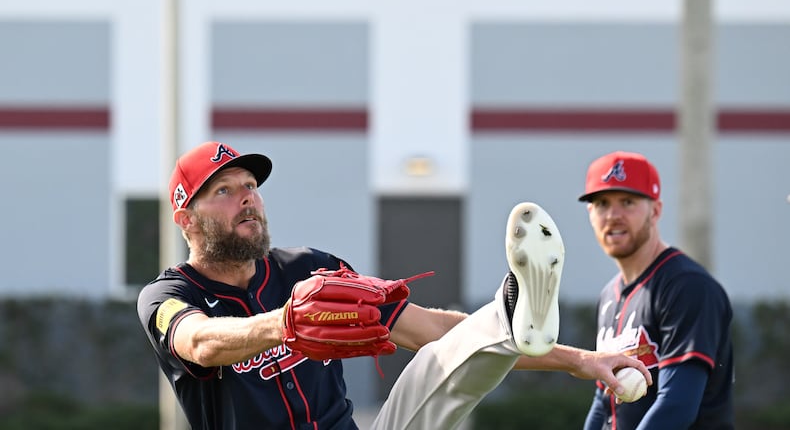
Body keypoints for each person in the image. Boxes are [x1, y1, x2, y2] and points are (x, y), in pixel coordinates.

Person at [137, 141, 651, 430]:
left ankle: (510, 317)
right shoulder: (167, 296)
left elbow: (431, 328)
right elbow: (199, 343)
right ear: (185, 218)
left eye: (250, 186)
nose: (246, 198)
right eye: (223, 191)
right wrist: (285, 323)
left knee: (441, 358)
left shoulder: (310, 269)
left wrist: (581, 360)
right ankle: (507, 320)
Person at [577, 151, 734, 429]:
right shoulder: (608, 296)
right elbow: (603, 404)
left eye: (628, 202)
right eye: (602, 203)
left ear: (656, 210)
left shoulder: (686, 287)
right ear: (591, 214)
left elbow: (677, 405)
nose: (613, 215)